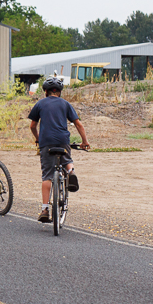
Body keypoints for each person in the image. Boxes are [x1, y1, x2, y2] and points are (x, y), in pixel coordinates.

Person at [28, 77, 90, 223]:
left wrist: (38, 138)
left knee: (47, 176)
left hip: (46, 142)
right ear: (60, 92)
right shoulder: (65, 104)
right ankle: (71, 172)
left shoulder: (40, 104)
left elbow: (32, 126)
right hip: (63, 140)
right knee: (66, 159)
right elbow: (78, 124)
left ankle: (44, 209)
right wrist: (85, 142)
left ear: (45, 92)